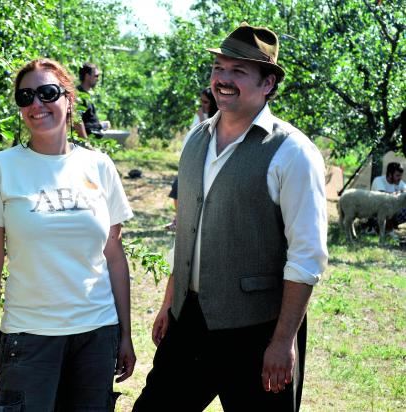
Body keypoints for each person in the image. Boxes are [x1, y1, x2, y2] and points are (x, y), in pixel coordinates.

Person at [133, 23, 328, 412]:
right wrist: (169, 302)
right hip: (189, 322)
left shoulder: (293, 152)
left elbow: (307, 256)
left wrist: (282, 340)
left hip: (257, 331)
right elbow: (188, 230)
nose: (223, 79)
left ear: (268, 83)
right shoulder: (196, 139)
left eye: (238, 71)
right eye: (219, 68)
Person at [0, 58, 136, 411]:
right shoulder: (0, 167)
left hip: (97, 333)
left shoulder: (99, 165)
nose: (36, 104)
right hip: (28, 337)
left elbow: (114, 256)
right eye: (25, 96)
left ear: (69, 99)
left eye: (47, 93)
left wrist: (125, 334)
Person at [167, 87, 218, 230]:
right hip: (188, 159)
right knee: (177, 189)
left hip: (202, 162)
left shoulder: (218, 119)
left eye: (205, 102)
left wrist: (203, 118)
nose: (202, 104)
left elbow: (208, 137)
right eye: (201, 101)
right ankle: (179, 219)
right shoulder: (200, 114)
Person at [75, 62, 110, 138]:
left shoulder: (87, 94)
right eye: (96, 76)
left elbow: (88, 121)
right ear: (87, 76)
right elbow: (77, 121)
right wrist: (86, 143)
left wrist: (99, 125)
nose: (98, 79)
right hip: (85, 143)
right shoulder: (79, 96)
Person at [370, 162, 406, 234]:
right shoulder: (378, 180)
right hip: (376, 213)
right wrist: (398, 193)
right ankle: (382, 228)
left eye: (400, 176)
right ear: (390, 174)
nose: (400, 178)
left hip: (391, 212)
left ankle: (390, 228)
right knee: (386, 205)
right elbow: (383, 196)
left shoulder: (400, 183)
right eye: (397, 175)